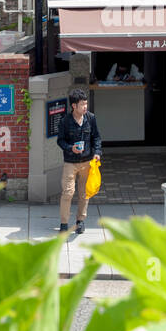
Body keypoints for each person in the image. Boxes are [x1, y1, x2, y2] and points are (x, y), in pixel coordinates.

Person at [56, 88, 101, 234]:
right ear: (74, 106)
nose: (85, 107)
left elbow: (96, 138)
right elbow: (60, 141)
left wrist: (97, 153)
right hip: (70, 162)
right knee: (68, 192)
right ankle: (64, 224)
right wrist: (71, 148)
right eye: (82, 104)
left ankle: (80, 221)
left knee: (83, 194)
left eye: (86, 104)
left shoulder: (91, 118)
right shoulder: (65, 121)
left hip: (87, 162)